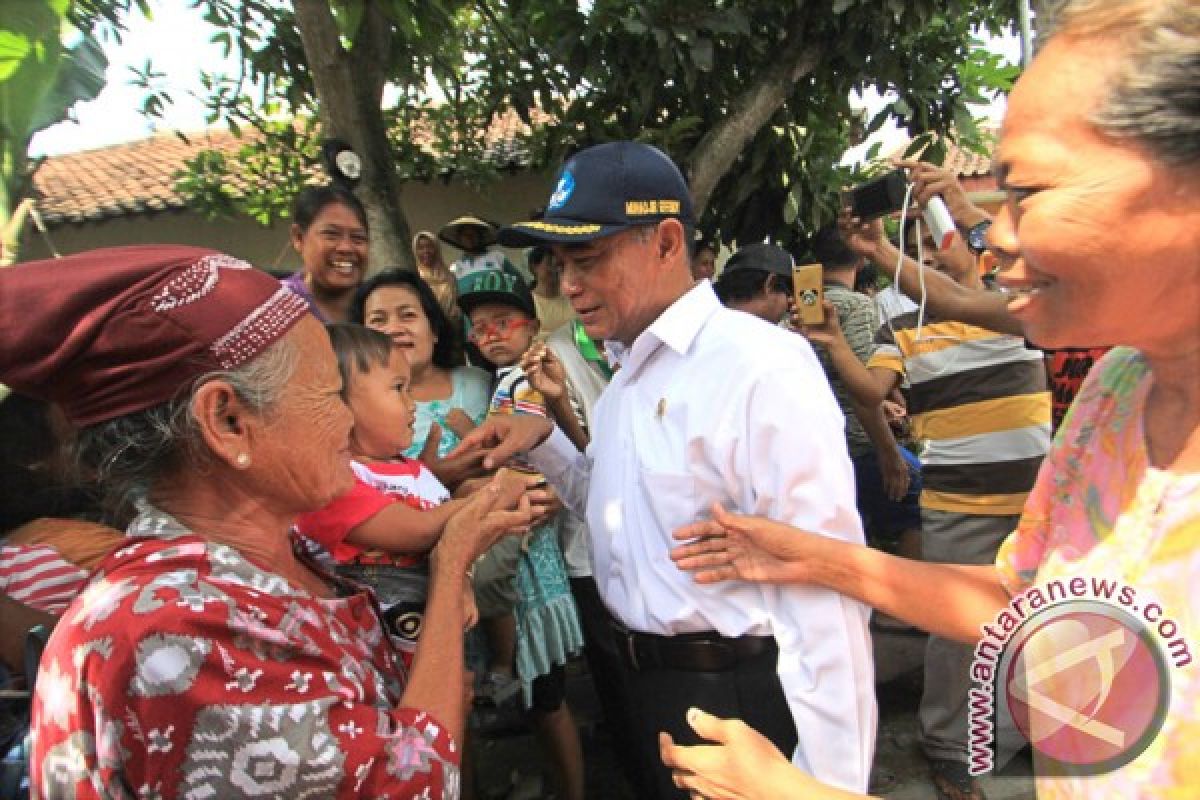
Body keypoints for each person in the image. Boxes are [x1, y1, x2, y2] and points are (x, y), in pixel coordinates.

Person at [661, 1, 1200, 798]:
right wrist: (817, 558)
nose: (998, 238)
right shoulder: (1117, 390)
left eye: (1030, 192)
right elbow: (1031, 603)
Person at [0, 245, 535, 798]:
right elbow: (408, 783)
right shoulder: (182, 634)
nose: (347, 421)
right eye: (329, 394)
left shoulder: (268, 557)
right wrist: (448, 574)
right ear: (228, 422)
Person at [455, 141, 876, 797]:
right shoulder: (629, 375)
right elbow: (616, 507)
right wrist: (539, 441)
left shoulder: (758, 364)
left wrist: (830, 785)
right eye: (562, 263)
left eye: (587, 259)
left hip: (737, 697)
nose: (567, 285)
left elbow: (828, 584)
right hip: (649, 690)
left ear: (667, 241)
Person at [456, 267, 587, 800]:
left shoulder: (528, 378)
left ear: (531, 326)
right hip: (520, 505)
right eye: (479, 326)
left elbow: (517, 447)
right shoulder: (501, 380)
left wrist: (467, 436)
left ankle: (506, 667)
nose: (491, 334)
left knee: (496, 584)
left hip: (527, 507)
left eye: (502, 322)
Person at [294, 324, 481, 669]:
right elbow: (420, 530)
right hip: (388, 646)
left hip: (435, 624)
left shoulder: (410, 469)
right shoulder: (335, 482)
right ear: (338, 402)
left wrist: (460, 583)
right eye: (399, 389)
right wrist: (491, 496)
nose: (413, 405)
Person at [805, 225, 921, 559]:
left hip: (819, 441)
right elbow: (861, 389)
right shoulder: (858, 307)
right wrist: (889, 454)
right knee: (921, 501)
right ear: (860, 258)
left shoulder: (800, 305)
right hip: (856, 443)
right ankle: (903, 606)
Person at [351, 268, 491, 490]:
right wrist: (430, 479)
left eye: (407, 315)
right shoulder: (353, 409)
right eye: (378, 320)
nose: (394, 329)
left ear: (434, 329)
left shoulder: (482, 383)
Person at [283, 184, 369, 322]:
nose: (346, 248)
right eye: (331, 234)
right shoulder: (273, 307)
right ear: (298, 238)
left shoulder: (379, 308)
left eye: (357, 237)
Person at [710, 242, 793, 325]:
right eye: (788, 293)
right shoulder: (778, 337)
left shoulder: (704, 325)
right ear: (770, 284)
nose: (790, 301)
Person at [439, 216, 521, 280]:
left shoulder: (497, 257)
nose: (469, 238)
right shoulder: (455, 267)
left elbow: (517, 280)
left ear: (480, 237)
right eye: (465, 235)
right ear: (460, 239)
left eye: (473, 234)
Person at [412, 230, 461, 327]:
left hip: (451, 329)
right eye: (421, 248)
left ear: (437, 249)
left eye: (430, 246)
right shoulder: (414, 277)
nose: (426, 251)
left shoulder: (450, 277)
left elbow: (457, 307)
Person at [528, 245, 576, 339]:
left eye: (559, 264)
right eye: (549, 263)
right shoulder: (529, 303)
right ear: (534, 267)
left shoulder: (571, 295)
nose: (555, 269)